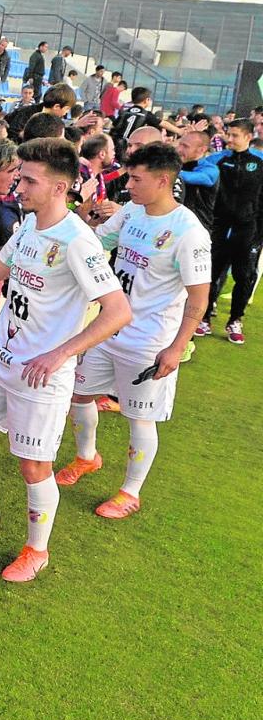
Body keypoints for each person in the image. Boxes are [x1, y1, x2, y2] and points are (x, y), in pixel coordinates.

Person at [0, 138, 130, 582]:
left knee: (33, 466)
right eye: (19, 176)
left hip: (41, 374)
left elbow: (118, 311)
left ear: (60, 188)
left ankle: (36, 550)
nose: (19, 185)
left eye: (28, 179)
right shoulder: (27, 225)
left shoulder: (78, 242)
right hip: (0, 359)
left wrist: (60, 353)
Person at [57, 142, 210, 518]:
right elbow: (96, 244)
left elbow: (198, 299)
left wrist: (176, 348)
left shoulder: (189, 232)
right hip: (107, 329)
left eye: (136, 179)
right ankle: (86, 457)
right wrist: (84, 217)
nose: (129, 185)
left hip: (148, 342)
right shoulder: (130, 213)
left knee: (140, 416)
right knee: (79, 396)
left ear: (163, 181)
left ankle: (130, 492)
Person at [197, 119, 263, 344]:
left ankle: (235, 320)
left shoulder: (259, 163)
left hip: (248, 229)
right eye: (229, 134)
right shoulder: (219, 160)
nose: (230, 139)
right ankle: (204, 318)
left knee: (244, 277)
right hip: (219, 227)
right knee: (211, 274)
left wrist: (259, 234)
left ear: (247, 137)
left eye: (235, 135)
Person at [175, 129, 219, 233]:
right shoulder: (176, 163)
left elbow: (200, 178)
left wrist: (165, 171)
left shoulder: (210, 169)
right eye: (179, 144)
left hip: (197, 228)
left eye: (185, 146)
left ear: (201, 150)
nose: (179, 149)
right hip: (173, 225)